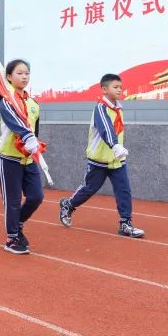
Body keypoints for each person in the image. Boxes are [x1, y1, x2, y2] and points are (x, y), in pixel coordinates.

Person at [59, 74, 145, 238]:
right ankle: (68, 205)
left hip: (117, 160)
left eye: (120, 87)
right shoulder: (100, 108)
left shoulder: (118, 108)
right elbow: (106, 128)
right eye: (115, 87)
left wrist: (118, 151)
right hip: (99, 160)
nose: (119, 89)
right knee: (89, 189)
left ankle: (125, 223)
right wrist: (115, 145)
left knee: (124, 190)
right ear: (104, 89)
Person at [0, 59, 44, 255]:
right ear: (9, 77)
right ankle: (12, 238)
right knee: (12, 201)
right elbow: (15, 123)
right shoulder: (7, 100)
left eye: (27, 73)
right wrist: (27, 136)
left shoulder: (34, 104)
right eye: (20, 73)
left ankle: (18, 223)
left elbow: (34, 129)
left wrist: (34, 143)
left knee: (36, 196)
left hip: (28, 159)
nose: (24, 77)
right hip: (9, 159)